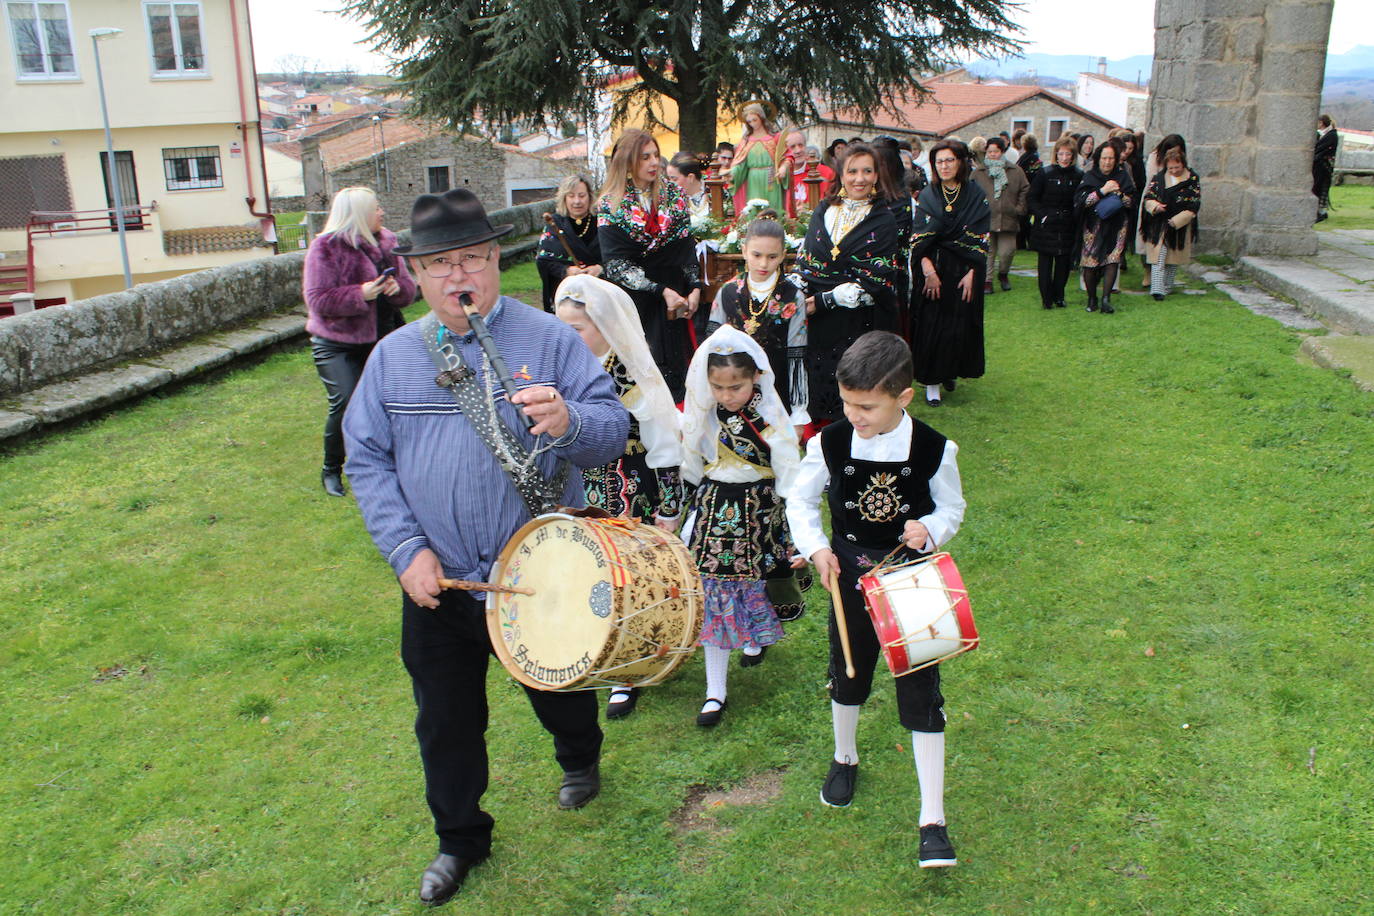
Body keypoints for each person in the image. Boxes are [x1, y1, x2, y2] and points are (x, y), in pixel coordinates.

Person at [342, 188, 629, 906]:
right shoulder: (393, 356)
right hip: (442, 585)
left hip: (538, 571)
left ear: (496, 261)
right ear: (417, 274)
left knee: (556, 691)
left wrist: (567, 418)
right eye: (438, 263)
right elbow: (367, 457)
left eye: (470, 257)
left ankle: (579, 757)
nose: (456, 275)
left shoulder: (551, 341)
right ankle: (459, 839)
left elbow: (612, 429)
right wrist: (407, 550)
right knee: (445, 720)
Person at [784, 330, 966, 867]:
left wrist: (928, 529)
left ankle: (932, 816)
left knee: (920, 686)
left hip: (911, 581)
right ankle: (845, 757)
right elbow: (800, 501)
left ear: (903, 397)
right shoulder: (829, 443)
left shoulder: (936, 449)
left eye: (866, 405)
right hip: (848, 576)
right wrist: (817, 549)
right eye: (846, 402)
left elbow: (950, 510)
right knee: (849, 668)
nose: (853, 414)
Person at [553, 274, 684, 719]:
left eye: (576, 329)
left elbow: (664, 446)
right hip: (581, 485)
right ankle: (591, 648)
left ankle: (628, 667)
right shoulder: (562, 371)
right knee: (587, 571)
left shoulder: (630, 374)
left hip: (630, 488)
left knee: (628, 578)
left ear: (605, 329)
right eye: (562, 327)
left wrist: (669, 507)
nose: (566, 337)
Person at [681, 326, 804, 726]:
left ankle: (753, 637)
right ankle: (715, 691)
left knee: (758, 583)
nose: (726, 395)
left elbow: (788, 466)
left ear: (756, 379)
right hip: (715, 509)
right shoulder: (704, 413)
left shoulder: (768, 417)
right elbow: (692, 464)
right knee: (713, 591)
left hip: (761, 511)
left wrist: (795, 526)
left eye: (735, 386)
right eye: (717, 387)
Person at [303, 186, 416, 497]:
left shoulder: (388, 242)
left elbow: (409, 290)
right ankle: (331, 469)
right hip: (336, 343)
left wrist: (397, 289)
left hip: (383, 337)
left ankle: (392, 465)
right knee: (346, 403)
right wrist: (360, 294)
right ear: (359, 215)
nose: (381, 212)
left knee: (392, 403)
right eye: (376, 207)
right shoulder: (324, 247)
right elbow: (317, 300)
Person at [793, 142, 901, 426]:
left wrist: (824, 300)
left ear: (878, 175)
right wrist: (794, 294)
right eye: (852, 171)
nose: (860, 178)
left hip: (859, 324)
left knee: (857, 390)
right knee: (819, 391)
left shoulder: (884, 220)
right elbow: (806, 262)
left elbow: (877, 282)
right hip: (817, 324)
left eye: (867, 171)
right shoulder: (823, 211)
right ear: (841, 174)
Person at [598, 129, 705, 401]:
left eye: (656, 155)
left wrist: (694, 287)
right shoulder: (611, 204)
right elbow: (616, 265)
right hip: (636, 300)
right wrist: (660, 290)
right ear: (628, 161)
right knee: (643, 370)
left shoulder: (675, 194)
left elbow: (685, 245)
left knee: (680, 369)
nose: (654, 162)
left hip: (674, 297)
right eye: (645, 157)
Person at [910, 139, 990, 407]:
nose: (944, 166)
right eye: (939, 161)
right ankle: (932, 382)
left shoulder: (975, 195)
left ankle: (949, 371)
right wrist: (927, 269)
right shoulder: (928, 195)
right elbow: (918, 238)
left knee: (957, 325)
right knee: (933, 323)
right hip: (933, 268)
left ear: (960, 162)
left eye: (949, 160)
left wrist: (973, 272)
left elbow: (981, 235)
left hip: (964, 269)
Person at [1075, 138, 1135, 314]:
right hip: (1093, 226)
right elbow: (1082, 202)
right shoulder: (1090, 176)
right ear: (1098, 159)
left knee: (1112, 260)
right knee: (1090, 264)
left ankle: (1106, 299)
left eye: (1111, 158)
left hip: (1117, 226)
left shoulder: (1123, 177)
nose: (1107, 162)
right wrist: (1102, 191)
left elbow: (1131, 202)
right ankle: (1092, 298)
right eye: (1104, 158)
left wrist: (1120, 194)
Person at [1028, 136, 1084, 309]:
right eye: (1061, 154)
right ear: (1056, 154)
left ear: (1073, 155)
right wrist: (1042, 215)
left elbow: (1079, 199)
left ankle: (1059, 295)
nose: (1065, 158)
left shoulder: (1079, 175)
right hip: (1047, 223)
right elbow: (1032, 198)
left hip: (1067, 224)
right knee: (1045, 263)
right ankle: (1046, 298)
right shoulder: (1045, 173)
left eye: (1068, 154)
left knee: (1063, 263)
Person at [535, 174, 602, 313]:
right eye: (571, 196)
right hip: (568, 300)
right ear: (564, 199)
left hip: (600, 296)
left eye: (582, 195)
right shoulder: (554, 225)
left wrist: (600, 269)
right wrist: (566, 271)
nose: (577, 201)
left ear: (590, 196)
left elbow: (616, 255)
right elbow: (544, 261)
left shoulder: (602, 223)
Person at [1141, 148, 1201, 299]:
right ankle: (1157, 289)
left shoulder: (1192, 180)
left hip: (1178, 226)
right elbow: (1149, 197)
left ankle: (1167, 286)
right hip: (1159, 223)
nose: (1174, 171)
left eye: (1177, 167)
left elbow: (1194, 205)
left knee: (1172, 259)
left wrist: (1177, 221)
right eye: (1170, 168)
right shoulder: (1159, 178)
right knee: (1158, 257)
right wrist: (1155, 206)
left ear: (1183, 165)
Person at [970, 136, 1028, 293]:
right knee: (988, 252)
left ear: (1002, 152)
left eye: (995, 151)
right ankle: (987, 281)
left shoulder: (1015, 171)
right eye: (989, 152)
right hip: (986, 218)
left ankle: (1003, 273)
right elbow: (970, 192)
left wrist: (1018, 208)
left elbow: (1025, 188)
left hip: (1008, 217)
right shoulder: (979, 172)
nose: (992, 154)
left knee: (1007, 251)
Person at [731, 101, 786, 213]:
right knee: (754, 208)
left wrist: (784, 167)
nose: (752, 124)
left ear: (761, 118)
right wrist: (732, 173)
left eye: (754, 120)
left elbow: (785, 157)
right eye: (749, 121)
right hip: (753, 179)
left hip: (771, 177)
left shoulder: (774, 138)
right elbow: (741, 163)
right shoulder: (746, 141)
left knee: (772, 207)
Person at [776, 128, 835, 217]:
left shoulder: (826, 173)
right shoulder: (778, 177)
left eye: (801, 145)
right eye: (792, 147)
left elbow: (834, 205)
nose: (798, 150)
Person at [1015, 133, 1042, 249]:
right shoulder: (1034, 156)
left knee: (1023, 219)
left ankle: (1025, 243)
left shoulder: (1029, 157)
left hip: (1027, 192)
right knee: (1024, 219)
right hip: (1030, 191)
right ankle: (1026, 242)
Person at [667, 151, 709, 216]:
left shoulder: (714, 190)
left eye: (674, 179)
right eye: (669, 179)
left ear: (690, 177)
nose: (670, 183)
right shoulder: (671, 200)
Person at [1314, 114, 1338, 223]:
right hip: (1321, 165)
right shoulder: (1324, 134)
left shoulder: (1331, 135)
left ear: (1321, 123)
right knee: (1318, 187)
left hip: (1324, 166)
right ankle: (1321, 212)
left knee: (1319, 187)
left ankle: (1320, 213)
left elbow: (1319, 148)